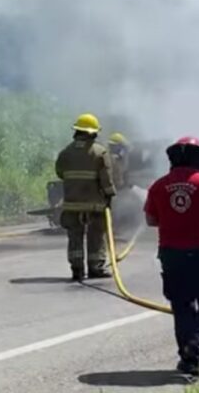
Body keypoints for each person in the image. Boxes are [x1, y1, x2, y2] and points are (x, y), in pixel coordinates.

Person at [143, 137, 199, 380]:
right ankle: (195, 346)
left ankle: (188, 358)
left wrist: (172, 219)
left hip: (170, 254)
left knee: (182, 305)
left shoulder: (158, 186)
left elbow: (150, 220)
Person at [55, 113, 116, 281]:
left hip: (72, 204)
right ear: (93, 133)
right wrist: (109, 195)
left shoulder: (65, 152)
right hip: (94, 205)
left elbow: (60, 173)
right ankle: (96, 268)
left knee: (75, 237)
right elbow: (106, 179)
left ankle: (77, 269)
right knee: (96, 236)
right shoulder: (99, 152)